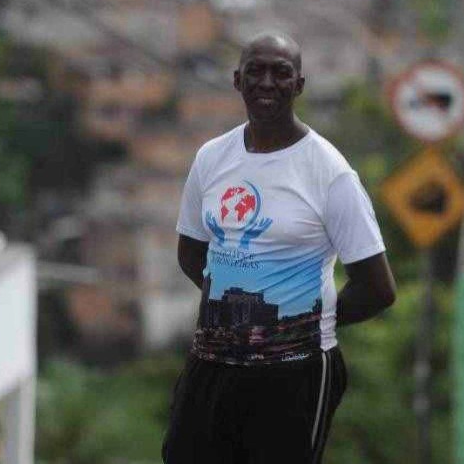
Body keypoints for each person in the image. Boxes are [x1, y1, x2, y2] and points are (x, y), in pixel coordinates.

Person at [162, 31, 397, 464]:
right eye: (256, 71)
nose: (267, 83)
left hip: (295, 371)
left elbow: (378, 288)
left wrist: (298, 323)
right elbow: (191, 252)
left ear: (300, 85)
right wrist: (236, 314)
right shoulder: (211, 158)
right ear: (237, 80)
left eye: (281, 73)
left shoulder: (329, 172)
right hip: (212, 364)